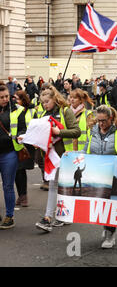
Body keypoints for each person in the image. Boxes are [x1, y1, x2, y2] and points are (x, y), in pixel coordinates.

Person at [83, 105, 117, 248]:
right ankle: (106, 227)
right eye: (98, 121)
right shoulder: (92, 131)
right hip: (97, 174)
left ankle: (110, 234)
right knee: (100, 204)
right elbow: (86, 151)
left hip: (114, 174)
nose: (101, 124)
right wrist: (72, 156)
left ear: (111, 118)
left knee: (110, 205)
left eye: (103, 121)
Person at [35, 86, 81, 232]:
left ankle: (52, 217)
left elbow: (76, 131)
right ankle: (54, 217)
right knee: (55, 185)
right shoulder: (43, 113)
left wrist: (59, 132)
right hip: (50, 155)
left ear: (54, 99)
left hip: (65, 155)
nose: (45, 105)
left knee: (62, 186)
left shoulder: (65, 111)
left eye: (47, 102)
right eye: (43, 102)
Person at [0, 83, 26, 229]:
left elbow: (23, 127)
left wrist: (21, 135)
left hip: (9, 153)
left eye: (6, 96)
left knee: (8, 186)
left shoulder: (17, 109)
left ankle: (9, 216)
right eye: (1, 97)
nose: (5, 99)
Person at [13, 90, 37, 207]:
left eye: (16, 99)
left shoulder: (32, 111)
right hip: (16, 143)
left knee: (20, 170)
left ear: (23, 100)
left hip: (27, 144)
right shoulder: (14, 111)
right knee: (18, 170)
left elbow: (36, 126)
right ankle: (22, 195)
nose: (14, 101)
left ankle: (23, 196)